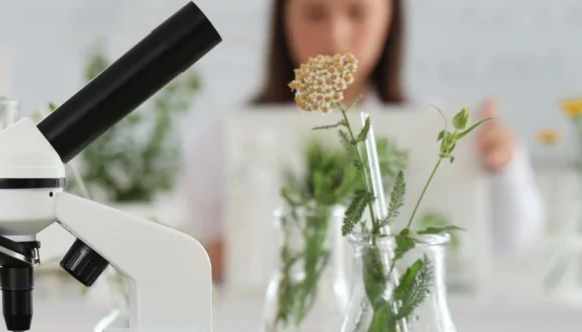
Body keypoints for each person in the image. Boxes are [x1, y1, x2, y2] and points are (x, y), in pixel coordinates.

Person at [180, 0, 544, 282]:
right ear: (283, 19)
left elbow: (514, 239)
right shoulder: (227, 137)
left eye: (357, 12)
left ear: (390, 18)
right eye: (315, 14)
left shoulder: (436, 133)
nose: (335, 35)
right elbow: (195, 255)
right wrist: (222, 255)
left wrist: (502, 164)